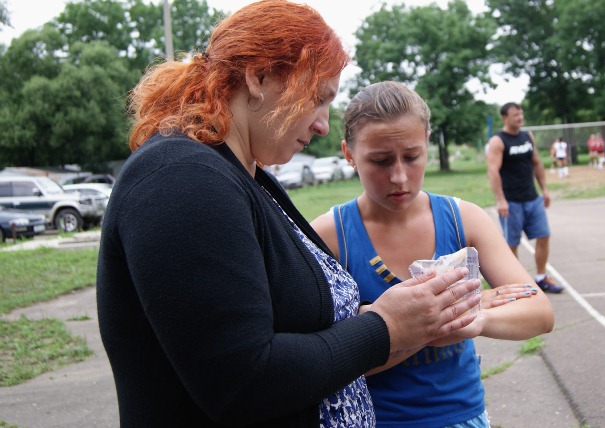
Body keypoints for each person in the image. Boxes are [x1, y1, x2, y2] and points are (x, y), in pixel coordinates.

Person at [96, 2, 482, 427]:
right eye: (319, 99)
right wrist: (385, 325)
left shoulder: (240, 173)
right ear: (259, 77)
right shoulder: (180, 177)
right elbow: (243, 382)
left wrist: (417, 313)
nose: (322, 125)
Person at [311, 82, 555, 428]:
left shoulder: (463, 219)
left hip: (463, 416)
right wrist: (434, 320)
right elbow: (324, 359)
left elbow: (539, 311)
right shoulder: (328, 236)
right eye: (380, 161)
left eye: (412, 156)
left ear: (427, 140)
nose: (399, 176)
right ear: (349, 154)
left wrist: (477, 318)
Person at [487, 102, 564, 293]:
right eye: (515, 115)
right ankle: (516, 283)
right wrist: (500, 200)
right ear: (505, 117)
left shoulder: (527, 136)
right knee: (511, 244)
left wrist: (544, 189)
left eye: (521, 114)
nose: (520, 117)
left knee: (544, 235)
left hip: (532, 197)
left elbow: (536, 163)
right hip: (511, 201)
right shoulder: (498, 141)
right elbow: (493, 171)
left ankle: (541, 277)